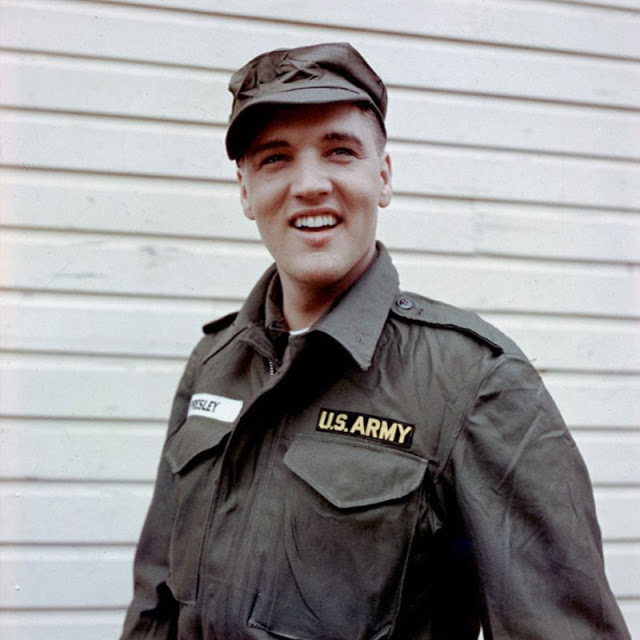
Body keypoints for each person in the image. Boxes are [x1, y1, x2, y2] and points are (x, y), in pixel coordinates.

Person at [120, 43, 630, 639]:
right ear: (245, 190)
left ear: (382, 177)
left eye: (339, 151)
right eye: (275, 158)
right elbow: (155, 606)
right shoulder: (214, 363)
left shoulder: (474, 383)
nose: (309, 185)